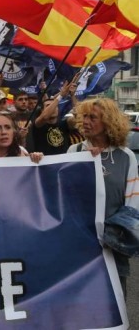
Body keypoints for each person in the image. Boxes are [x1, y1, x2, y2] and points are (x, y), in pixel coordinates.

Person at [67, 98, 139, 295]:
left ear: (108, 121)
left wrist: (116, 236)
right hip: (82, 241)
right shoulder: (75, 152)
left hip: (113, 243)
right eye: (84, 117)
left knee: (114, 298)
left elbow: (132, 202)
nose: (86, 121)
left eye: (93, 117)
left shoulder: (126, 156)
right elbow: (66, 195)